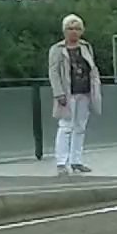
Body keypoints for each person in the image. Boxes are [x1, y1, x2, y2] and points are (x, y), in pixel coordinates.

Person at [47, 14, 103, 175]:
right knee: (65, 127)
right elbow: (54, 72)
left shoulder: (85, 46)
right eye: (70, 28)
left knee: (80, 127)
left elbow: (91, 67)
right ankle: (61, 162)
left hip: (84, 90)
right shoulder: (57, 49)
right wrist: (58, 93)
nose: (74, 32)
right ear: (64, 30)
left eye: (77, 28)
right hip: (67, 92)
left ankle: (76, 160)